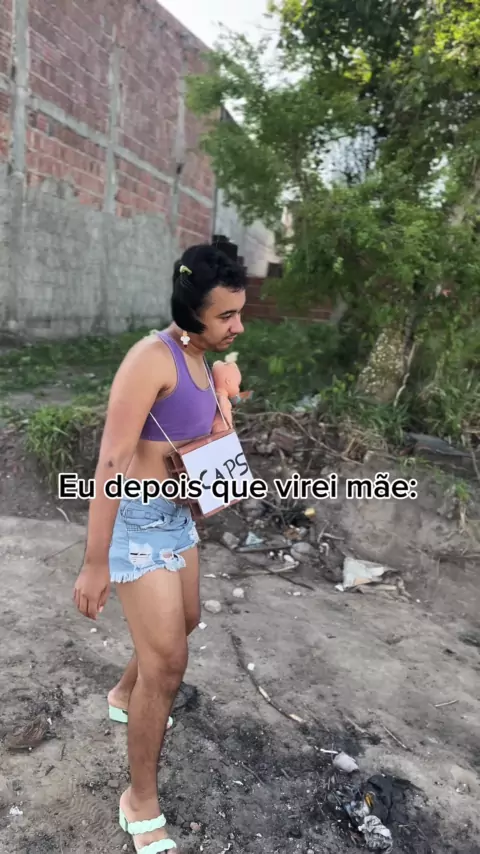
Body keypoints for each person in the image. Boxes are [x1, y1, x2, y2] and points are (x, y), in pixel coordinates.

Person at [73, 243, 246, 853]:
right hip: (137, 523)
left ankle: (126, 694)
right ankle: (139, 801)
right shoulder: (151, 359)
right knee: (169, 665)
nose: (238, 327)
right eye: (226, 316)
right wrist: (96, 561)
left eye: (239, 313)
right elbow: (112, 462)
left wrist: (224, 390)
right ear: (192, 311)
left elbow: (210, 442)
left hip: (177, 517)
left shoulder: (202, 359)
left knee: (188, 619)